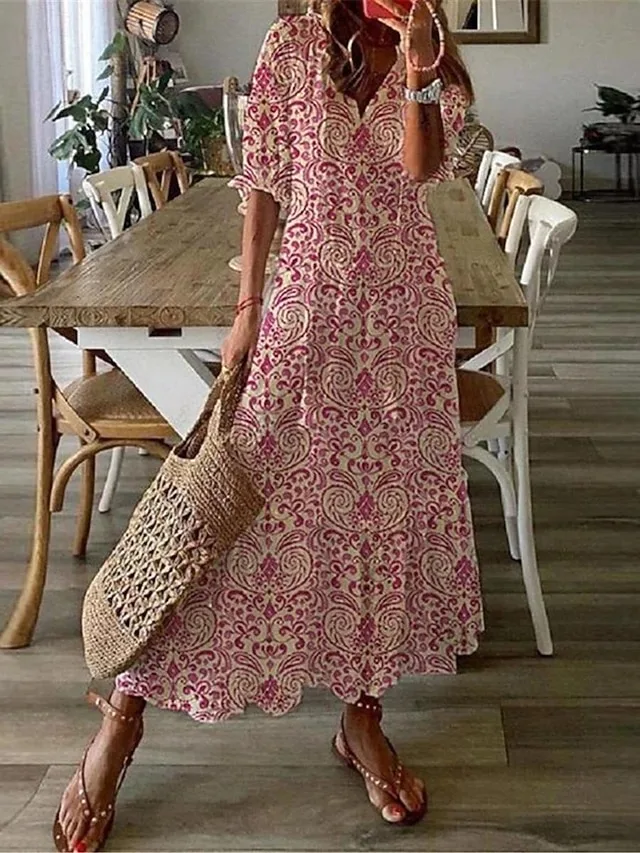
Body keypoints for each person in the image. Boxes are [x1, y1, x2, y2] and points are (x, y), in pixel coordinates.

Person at [55, 0, 482, 849]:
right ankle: (124, 714)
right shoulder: (291, 45)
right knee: (221, 513)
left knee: (379, 523)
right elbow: (263, 187)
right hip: (304, 308)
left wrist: (419, 69)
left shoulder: (434, 52)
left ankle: (362, 717)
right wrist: (249, 306)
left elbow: (420, 168)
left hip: (402, 322)